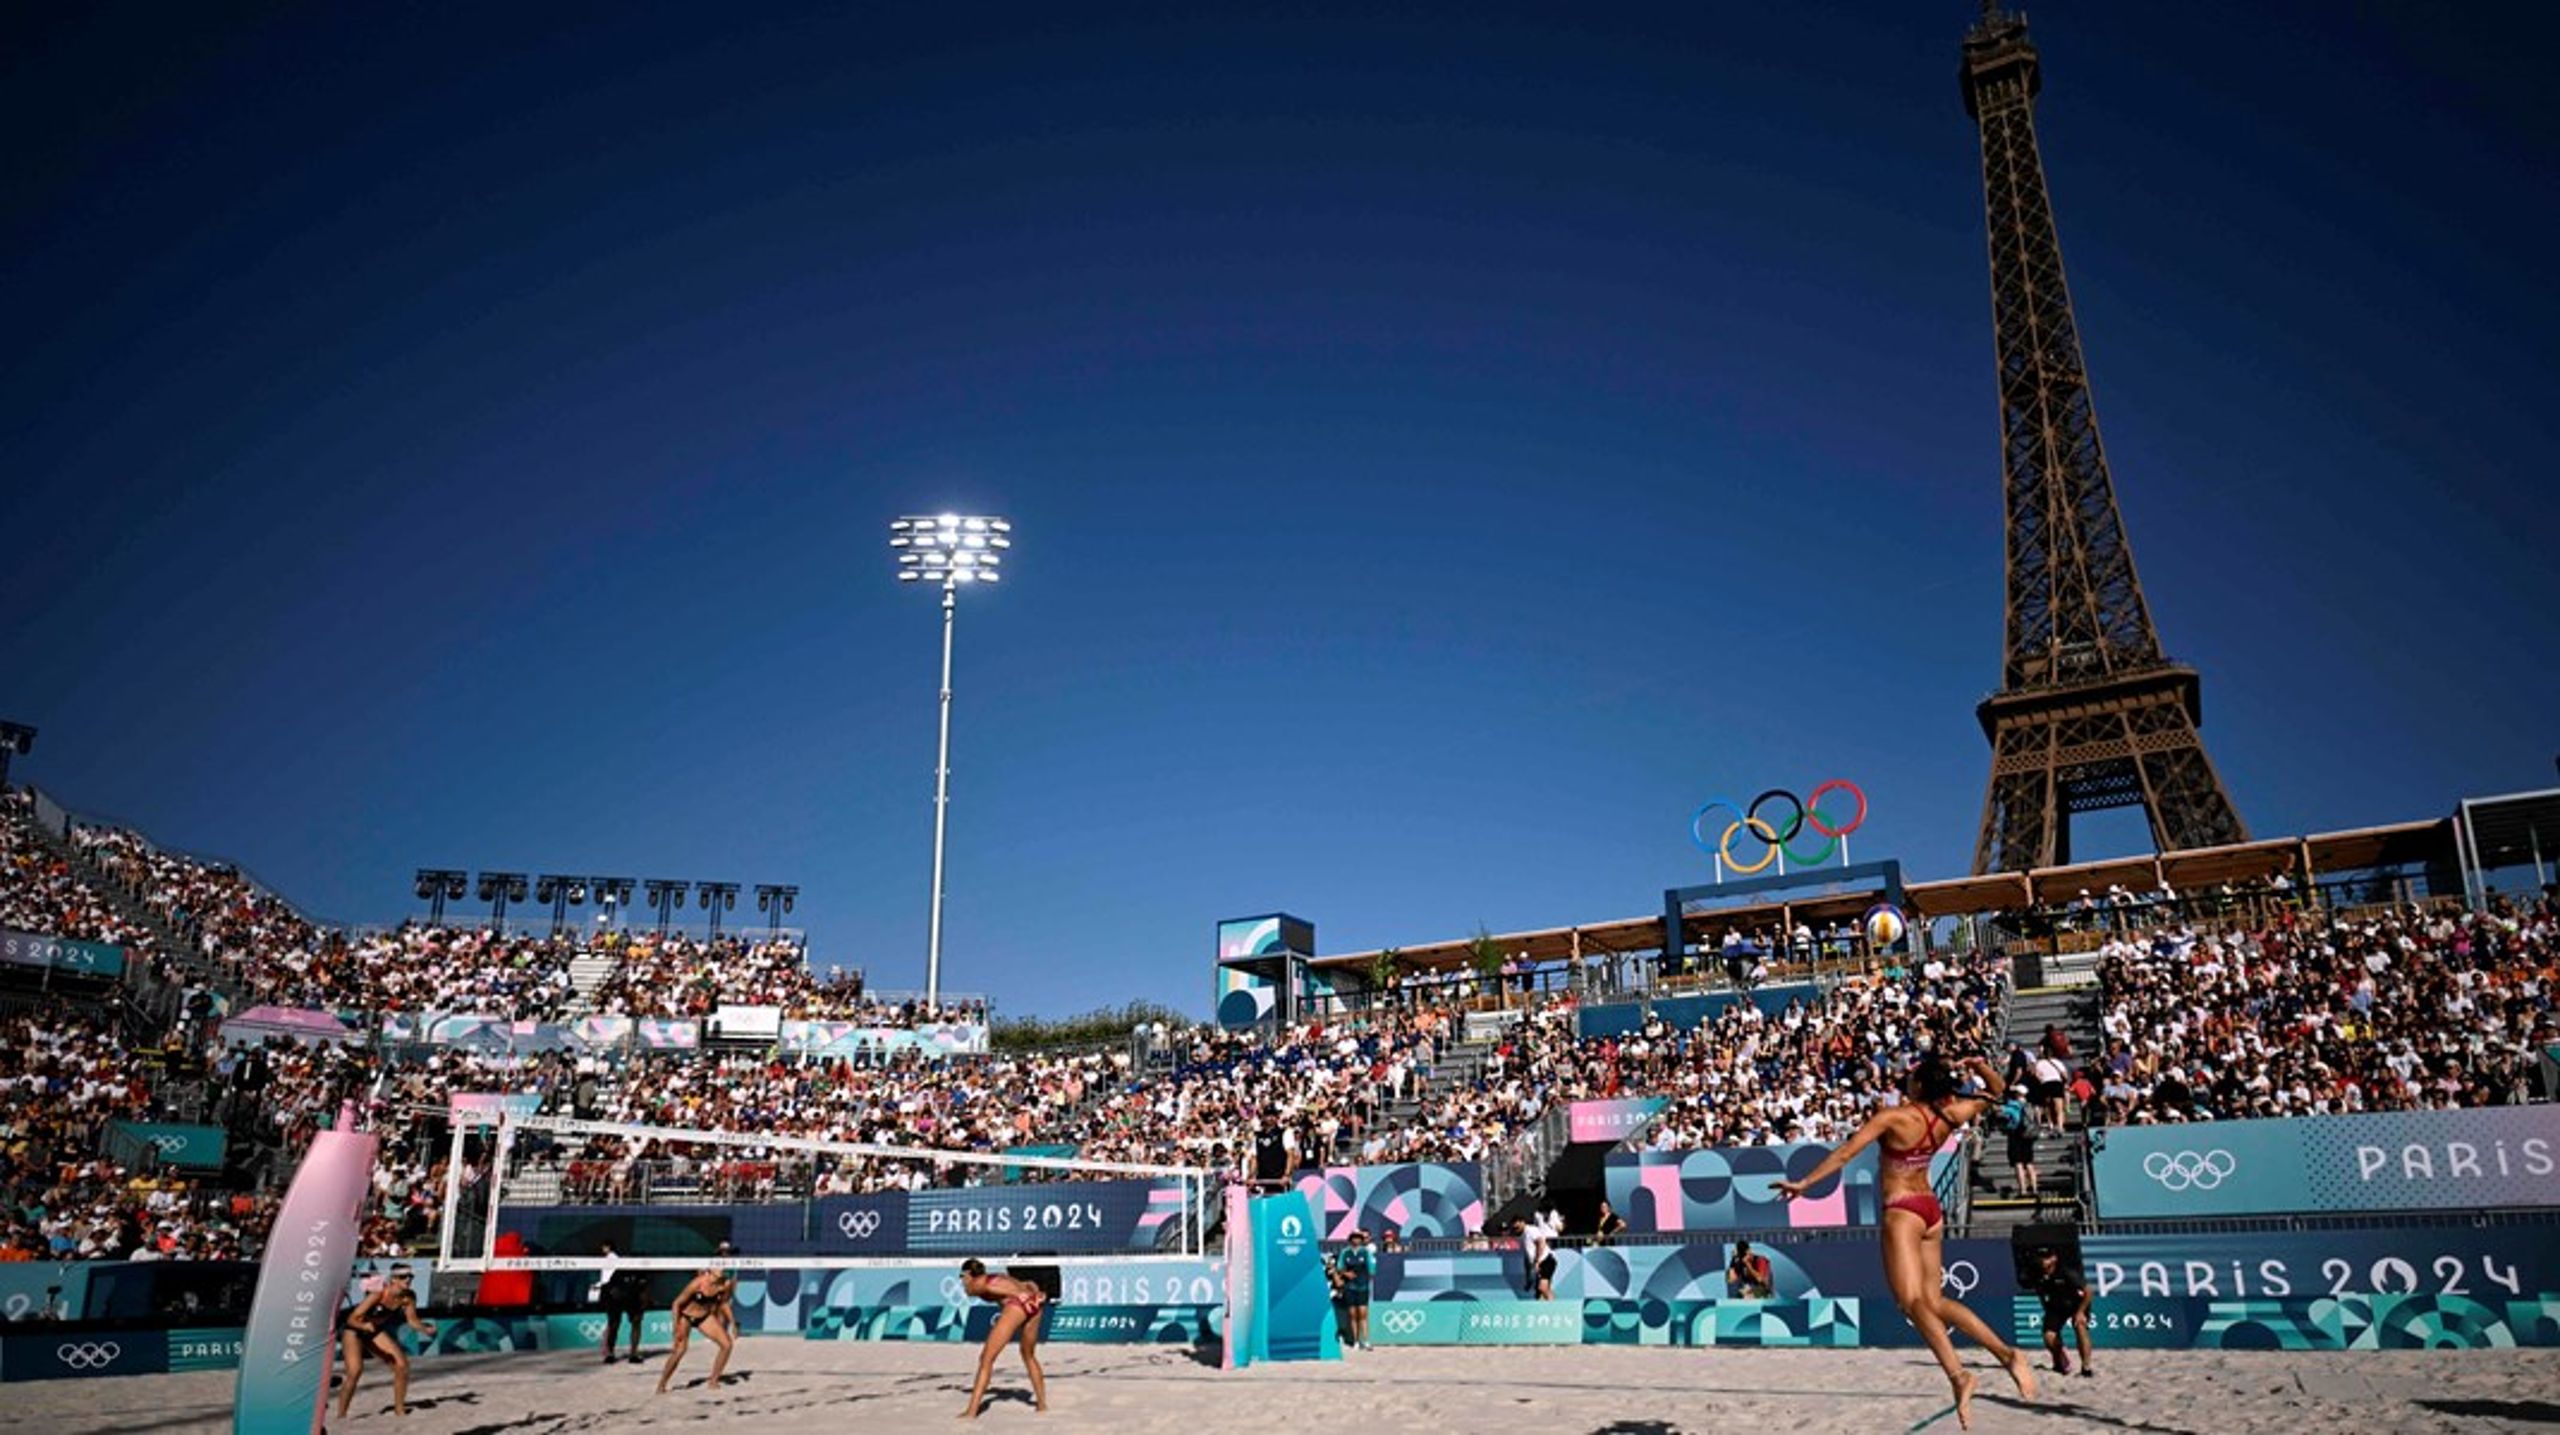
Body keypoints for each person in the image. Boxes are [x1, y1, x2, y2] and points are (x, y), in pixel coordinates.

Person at [1775, 1054, 2036, 1431]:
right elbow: (1998, 1092)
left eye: (1913, 1077)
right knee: (1934, 1302)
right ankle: (2008, 1354)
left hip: (1902, 1210)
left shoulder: (1894, 1117)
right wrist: (1979, 1065)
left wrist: (1804, 1184)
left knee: (1910, 1303)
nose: (1907, 1080)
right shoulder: (1950, 1116)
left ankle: (1959, 1376)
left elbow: (1846, 1153)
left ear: (1919, 1086)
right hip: (1931, 1208)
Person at [333, 1264, 437, 1419]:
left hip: (373, 1330)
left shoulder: (408, 1297)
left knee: (402, 1365)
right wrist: (363, 1325)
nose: (408, 1279)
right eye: (403, 1276)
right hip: (354, 1329)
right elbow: (352, 1318)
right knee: (355, 1371)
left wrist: (425, 1329)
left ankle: (399, 1410)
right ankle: (341, 1415)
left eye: (410, 1276)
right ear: (393, 1279)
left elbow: (412, 1320)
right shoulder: (379, 1293)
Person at [958, 1257, 1049, 1418]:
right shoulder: (999, 1277)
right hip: (1036, 1304)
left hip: (1019, 1305)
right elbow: (1029, 1283)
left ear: (969, 1275)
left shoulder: (980, 1284)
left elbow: (979, 1290)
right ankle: (1042, 1405)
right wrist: (1034, 1293)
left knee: (986, 1359)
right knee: (1028, 1355)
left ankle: (971, 1412)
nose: (962, 1283)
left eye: (963, 1278)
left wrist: (1019, 1295)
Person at [655, 1257, 738, 1395]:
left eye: (723, 1266)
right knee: (680, 1350)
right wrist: (676, 1328)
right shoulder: (698, 1283)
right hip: (685, 1316)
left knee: (727, 1344)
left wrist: (733, 1322)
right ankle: (662, 1384)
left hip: (704, 1317)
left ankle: (713, 1381)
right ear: (710, 1269)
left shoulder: (725, 1284)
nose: (722, 1269)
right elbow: (676, 1304)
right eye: (718, 1266)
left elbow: (723, 1304)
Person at [2029, 1247, 2095, 1378]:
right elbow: (2041, 1294)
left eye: (2046, 1257)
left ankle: (2086, 1367)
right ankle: (2060, 1358)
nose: (2043, 1260)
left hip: (2076, 1304)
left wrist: (2080, 1312)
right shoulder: (2037, 1274)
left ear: (2054, 1258)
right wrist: (2047, 1310)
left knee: (2080, 1326)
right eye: (2041, 1257)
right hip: (2056, 1306)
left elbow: (2089, 1292)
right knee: (2049, 1337)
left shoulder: (2066, 1272)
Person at [596, 1239, 648, 1364]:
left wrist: (643, 1301)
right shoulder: (617, 1270)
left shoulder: (641, 1272)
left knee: (636, 1322)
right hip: (616, 1298)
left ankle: (633, 1354)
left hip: (632, 1298)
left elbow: (644, 1287)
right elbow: (608, 1284)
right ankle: (610, 1354)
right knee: (613, 1324)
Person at [1335, 1228, 1376, 1349]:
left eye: (1358, 1237)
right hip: (1350, 1287)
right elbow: (1339, 1267)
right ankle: (1356, 1341)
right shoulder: (1345, 1252)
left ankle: (1366, 1340)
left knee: (1363, 1314)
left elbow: (1372, 1269)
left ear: (1361, 1239)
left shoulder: (1365, 1252)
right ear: (1350, 1239)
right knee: (1353, 1315)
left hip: (1362, 1286)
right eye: (1354, 1237)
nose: (1356, 1239)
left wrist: (1368, 1275)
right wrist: (1346, 1274)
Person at [1519, 1212, 1557, 1301]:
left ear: (1522, 1222)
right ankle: (1550, 1307)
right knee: (1539, 1294)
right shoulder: (1522, 1237)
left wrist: (1538, 1260)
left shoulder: (1531, 1230)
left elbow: (1541, 1242)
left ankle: (1555, 1307)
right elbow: (1527, 1259)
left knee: (1542, 1288)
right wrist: (1528, 1278)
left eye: (1517, 1224)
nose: (1515, 1228)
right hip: (1539, 1263)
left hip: (1546, 1260)